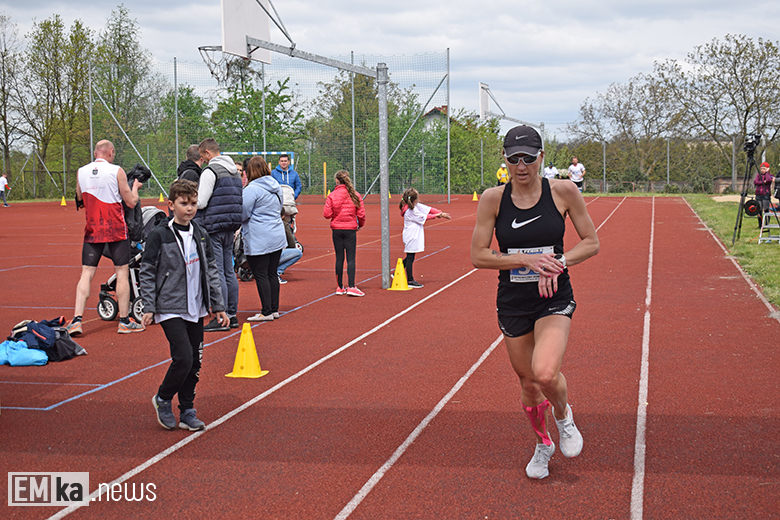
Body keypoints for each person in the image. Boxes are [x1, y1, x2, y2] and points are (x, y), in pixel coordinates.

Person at [470, 125, 599, 480]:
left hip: (553, 297)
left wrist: (559, 263)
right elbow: (478, 256)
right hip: (513, 301)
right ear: (505, 159)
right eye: (514, 158)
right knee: (528, 383)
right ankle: (543, 444)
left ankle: (563, 416)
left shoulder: (563, 191)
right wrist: (524, 260)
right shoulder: (493, 199)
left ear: (542, 156)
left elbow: (591, 242)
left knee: (544, 372)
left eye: (529, 157)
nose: (522, 165)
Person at [140, 179, 228, 431]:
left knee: (195, 363)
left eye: (192, 203)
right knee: (184, 357)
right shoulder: (160, 235)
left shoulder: (201, 233)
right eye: (183, 203)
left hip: (197, 307)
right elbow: (147, 271)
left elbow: (211, 270)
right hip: (170, 307)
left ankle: (187, 409)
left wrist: (217, 304)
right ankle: (164, 398)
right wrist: (149, 306)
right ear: (171, 205)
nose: (189, 208)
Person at [68, 140, 145, 335]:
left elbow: (79, 199)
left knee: (86, 273)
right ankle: (125, 321)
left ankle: (77, 320)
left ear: (95, 153)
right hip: (116, 229)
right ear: (110, 152)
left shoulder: (81, 172)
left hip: (93, 228)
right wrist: (135, 186)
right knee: (121, 272)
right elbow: (131, 202)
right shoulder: (116, 171)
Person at [195, 138, 242, 332]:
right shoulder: (235, 172)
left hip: (214, 225)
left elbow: (201, 202)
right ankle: (232, 313)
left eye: (202, 156)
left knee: (217, 271)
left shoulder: (210, 171)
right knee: (229, 270)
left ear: (207, 153)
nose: (203, 160)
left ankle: (221, 316)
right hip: (231, 224)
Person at [242, 156, 287, 321]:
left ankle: (266, 311)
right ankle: (273, 309)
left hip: (259, 236)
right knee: (271, 273)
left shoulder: (251, 189)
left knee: (261, 274)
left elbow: (243, 213)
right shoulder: (276, 186)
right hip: (276, 234)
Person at [323, 170, 366, 296]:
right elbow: (361, 214)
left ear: (337, 180)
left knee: (339, 257)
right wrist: (360, 225)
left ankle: (340, 286)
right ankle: (351, 286)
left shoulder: (332, 195)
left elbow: (327, 214)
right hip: (350, 229)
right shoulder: (355, 195)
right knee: (351, 258)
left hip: (336, 229)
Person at [399, 188, 451, 288]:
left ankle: (398, 270)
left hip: (412, 235)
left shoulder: (414, 206)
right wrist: (437, 215)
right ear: (414, 200)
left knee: (410, 256)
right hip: (411, 236)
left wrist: (440, 213)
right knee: (410, 257)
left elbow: (428, 209)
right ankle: (410, 280)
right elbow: (424, 216)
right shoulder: (411, 211)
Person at [277, 219, 303, 284]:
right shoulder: (281, 223)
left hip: (253, 255)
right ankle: (277, 272)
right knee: (298, 253)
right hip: (272, 254)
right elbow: (291, 242)